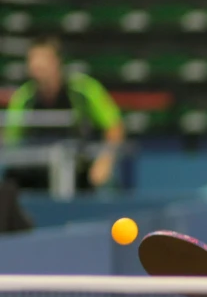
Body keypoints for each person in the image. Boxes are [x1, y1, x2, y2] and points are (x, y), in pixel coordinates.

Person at [2, 36, 125, 191]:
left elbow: (114, 126)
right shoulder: (24, 96)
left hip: (79, 167)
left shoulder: (83, 89)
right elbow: (11, 138)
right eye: (32, 59)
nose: (36, 65)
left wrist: (105, 159)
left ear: (57, 62)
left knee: (104, 183)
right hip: (37, 169)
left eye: (43, 59)